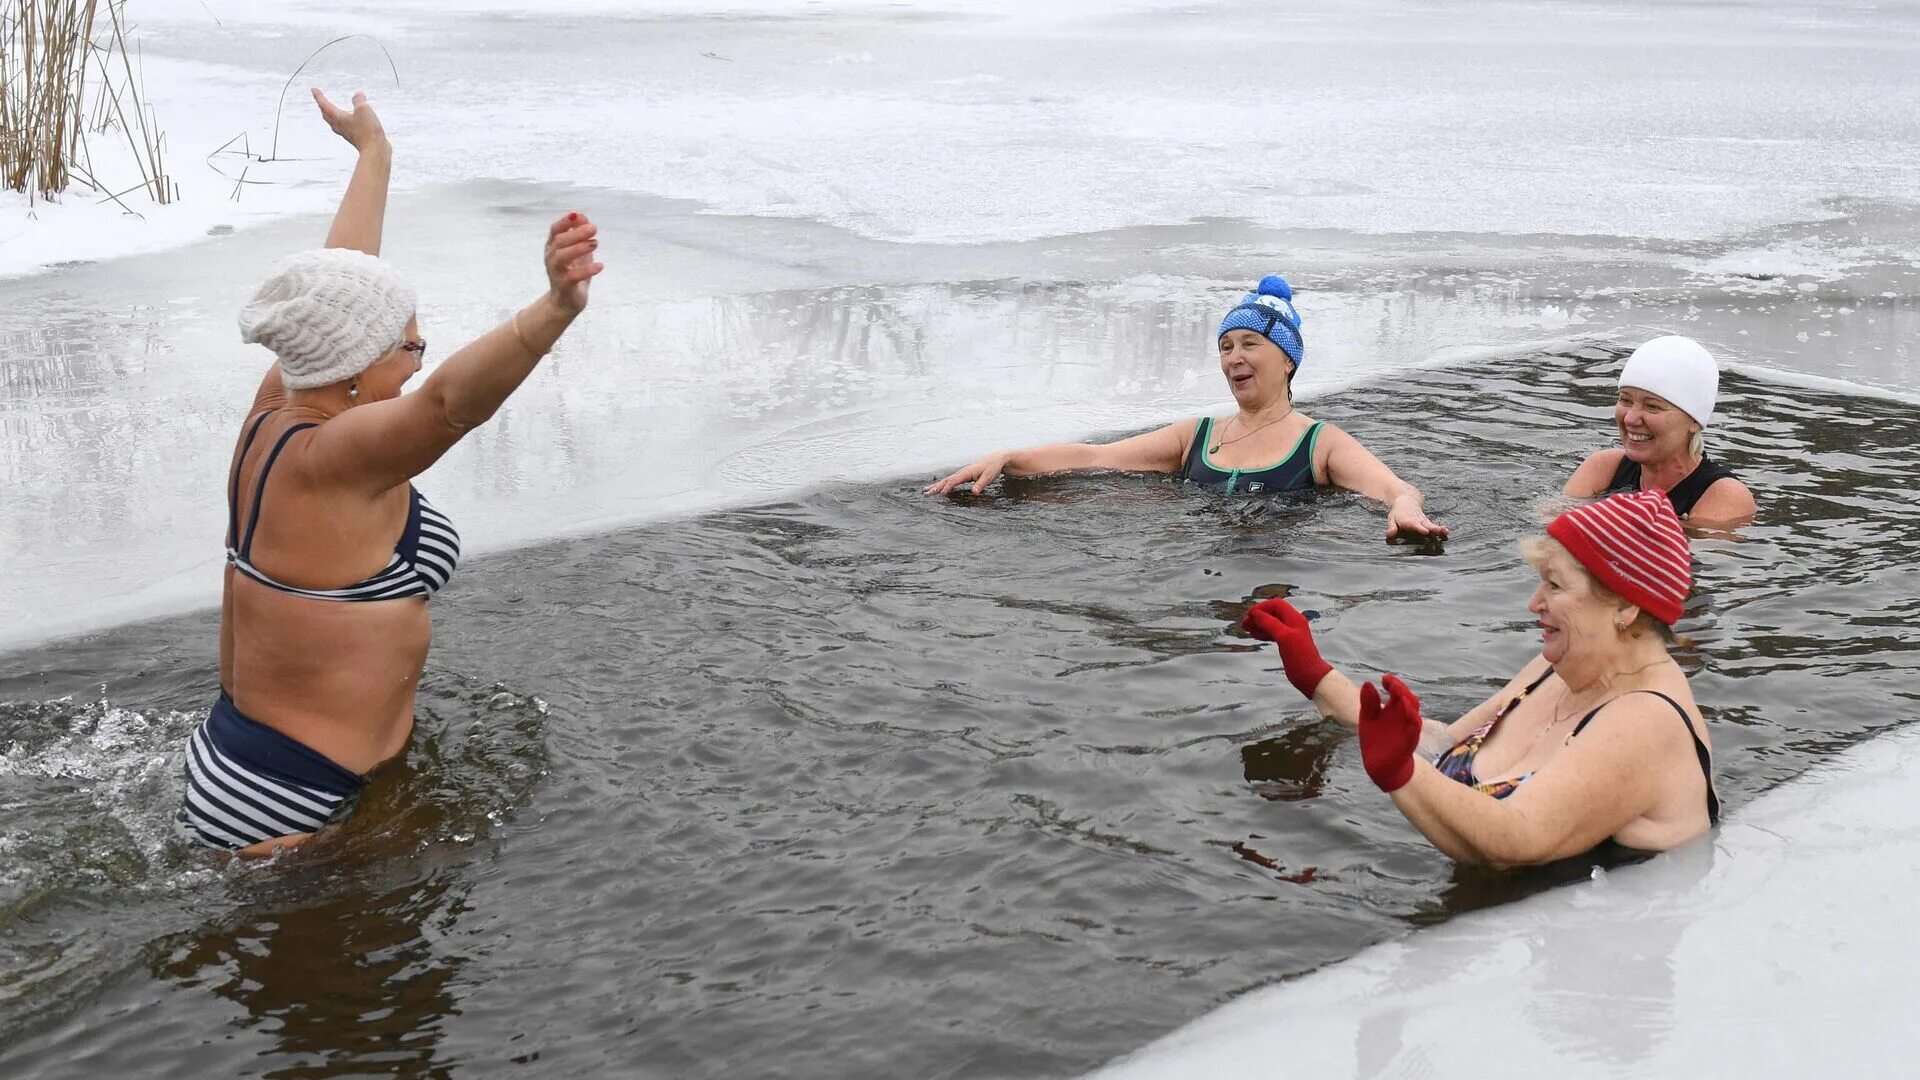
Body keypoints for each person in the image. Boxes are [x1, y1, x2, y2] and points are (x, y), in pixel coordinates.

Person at [176, 89, 604, 854]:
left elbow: (340, 286)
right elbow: (446, 406)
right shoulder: (333, 460)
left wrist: (375, 154)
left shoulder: (281, 401)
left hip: (243, 757)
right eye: (407, 346)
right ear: (350, 369)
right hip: (291, 803)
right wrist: (553, 310)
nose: (419, 357)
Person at [1243, 489, 1718, 863]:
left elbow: (1520, 838)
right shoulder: (1562, 668)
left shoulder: (1646, 721)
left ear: (1626, 606)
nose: (1534, 603)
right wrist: (1317, 675)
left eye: (1554, 585)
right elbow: (1444, 743)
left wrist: (1400, 775)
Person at [924, 276, 1447, 540]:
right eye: (1225, 347)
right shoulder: (1196, 436)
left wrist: (1404, 507)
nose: (1234, 357)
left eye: (1249, 344)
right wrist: (1010, 458)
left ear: (1287, 360)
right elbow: (1097, 458)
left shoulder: (1320, 443)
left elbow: (1395, 489)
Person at [1565, 335, 1754, 523]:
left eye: (1652, 406)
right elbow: (1552, 533)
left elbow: (1682, 552)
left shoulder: (1725, 495)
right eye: (1625, 400)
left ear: (1694, 421)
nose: (1630, 418)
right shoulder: (1604, 468)